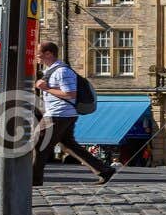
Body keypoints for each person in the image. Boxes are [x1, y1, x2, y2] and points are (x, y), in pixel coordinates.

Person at [32, 42, 114, 187]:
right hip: (62, 113)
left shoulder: (62, 71)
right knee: (69, 145)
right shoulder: (51, 70)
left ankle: (33, 180)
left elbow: (70, 94)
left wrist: (46, 88)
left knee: (37, 143)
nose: (36, 56)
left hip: (59, 114)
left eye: (38, 53)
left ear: (48, 54)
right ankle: (104, 170)